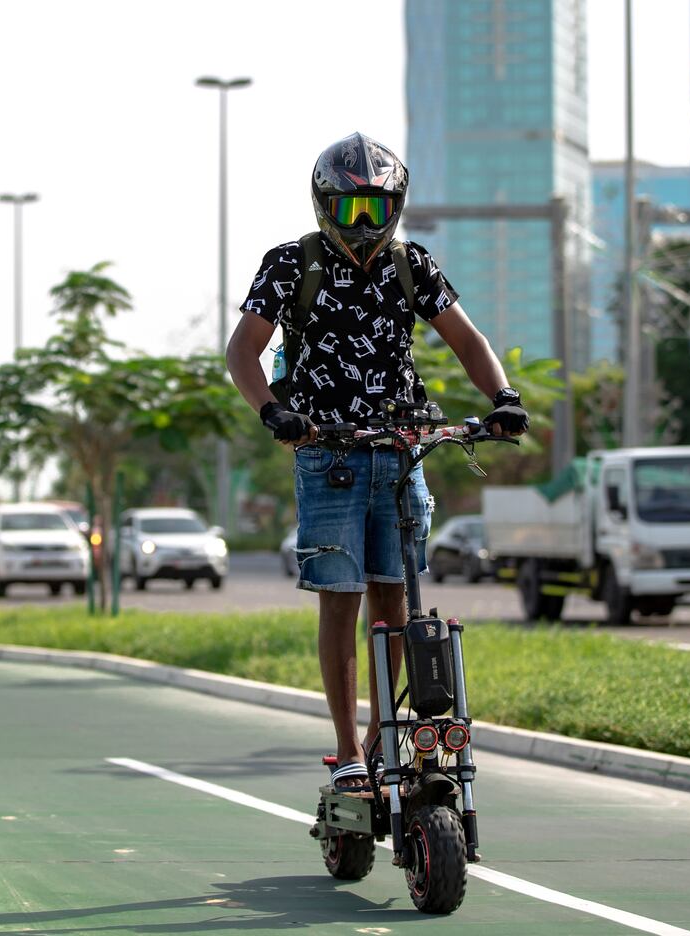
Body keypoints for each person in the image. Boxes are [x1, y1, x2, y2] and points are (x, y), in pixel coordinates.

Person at [226, 132, 528, 791]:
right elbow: (242, 351)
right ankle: (348, 752)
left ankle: (381, 736)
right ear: (323, 207)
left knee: (394, 601)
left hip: (401, 448)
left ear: (395, 206)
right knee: (341, 597)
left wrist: (503, 397)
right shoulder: (290, 265)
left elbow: (467, 338)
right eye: (348, 210)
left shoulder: (412, 265)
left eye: (375, 208)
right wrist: (273, 411)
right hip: (326, 451)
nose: (362, 223)